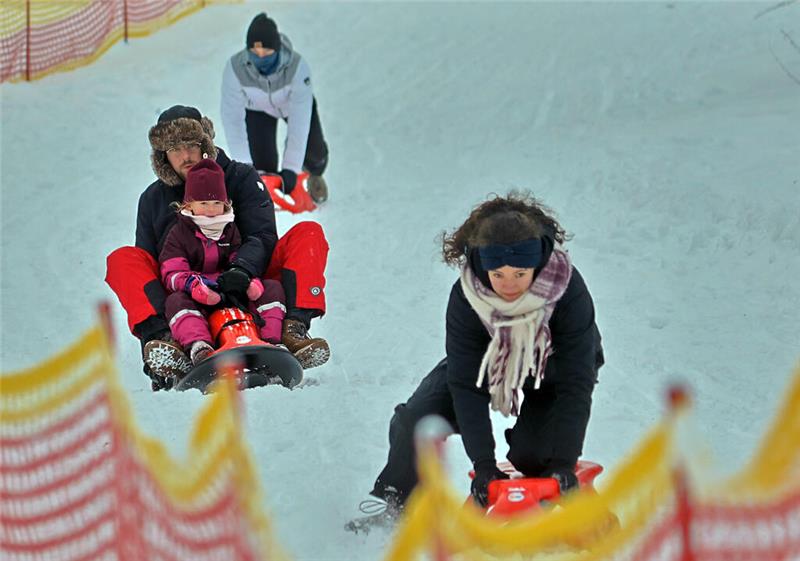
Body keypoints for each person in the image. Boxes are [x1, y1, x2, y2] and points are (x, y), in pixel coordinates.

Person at [351, 193, 604, 530]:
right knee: (418, 419)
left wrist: (563, 460)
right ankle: (399, 502)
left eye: (519, 273)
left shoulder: (566, 287)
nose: (508, 285)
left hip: (554, 370)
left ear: (537, 263)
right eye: (498, 274)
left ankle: (538, 470)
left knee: (534, 459)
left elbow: (576, 381)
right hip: (488, 361)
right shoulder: (466, 295)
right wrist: (483, 463)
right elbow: (465, 384)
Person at [105, 105, 330, 391]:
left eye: (190, 145)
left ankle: (292, 330)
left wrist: (241, 270)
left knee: (309, 233)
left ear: (205, 144)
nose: (184, 155)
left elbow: (262, 235)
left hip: (250, 278)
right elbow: (146, 266)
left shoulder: (242, 178)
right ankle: (166, 343)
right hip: (185, 290)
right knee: (123, 260)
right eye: (174, 148)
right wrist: (183, 285)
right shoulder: (152, 199)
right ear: (163, 156)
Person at [160, 159, 287, 367]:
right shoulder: (179, 234)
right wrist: (193, 285)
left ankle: (272, 342)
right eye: (203, 204)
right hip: (198, 296)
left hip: (229, 291)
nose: (211, 210)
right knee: (175, 302)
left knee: (272, 288)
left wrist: (247, 280)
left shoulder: (229, 228)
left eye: (217, 203)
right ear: (188, 205)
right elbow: (171, 272)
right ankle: (199, 346)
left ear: (225, 204)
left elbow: (238, 257)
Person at [221, 12, 329, 204]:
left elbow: (299, 121)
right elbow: (232, 120)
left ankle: (313, 174)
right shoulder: (235, 68)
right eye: (254, 52)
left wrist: (291, 168)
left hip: (293, 107)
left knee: (315, 153)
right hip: (258, 109)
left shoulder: (298, 67)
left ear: (277, 49)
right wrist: (245, 167)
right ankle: (266, 196)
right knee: (262, 165)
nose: (260, 57)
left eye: (267, 52)